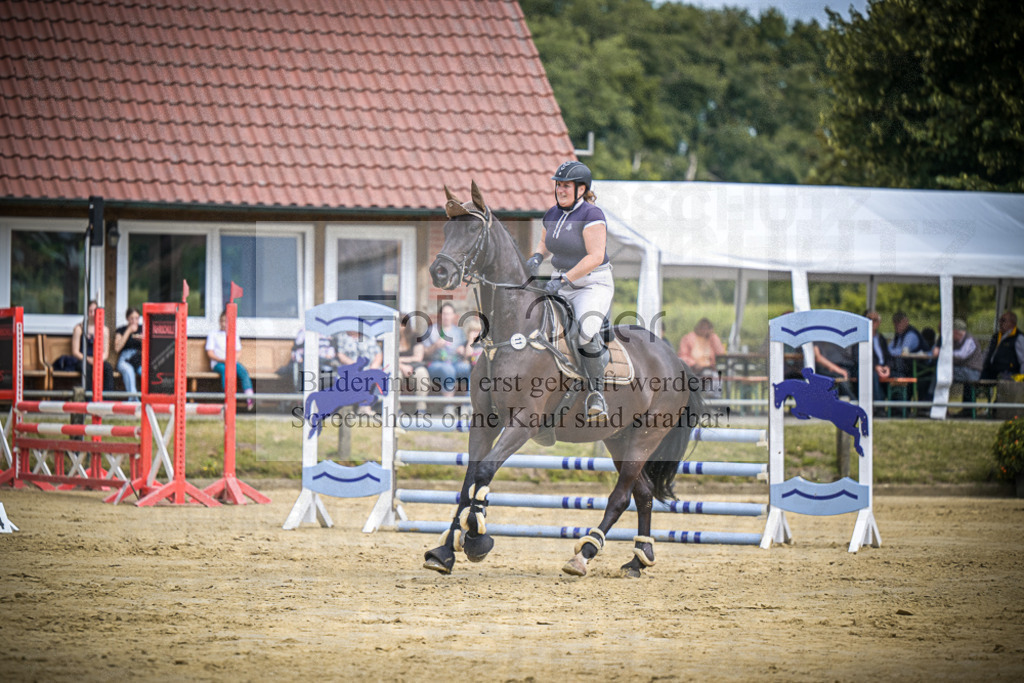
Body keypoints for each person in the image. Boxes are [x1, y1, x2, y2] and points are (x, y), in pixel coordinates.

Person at [525, 160, 613, 420]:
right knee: (535, 325)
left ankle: (597, 394)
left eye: (566, 186)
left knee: (584, 332)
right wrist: (537, 258)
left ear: (581, 188)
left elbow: (595, 256)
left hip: (591, 283)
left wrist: (563, 281)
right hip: (560, 280)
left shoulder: (592, 215)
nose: (560, 190)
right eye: (558, 185)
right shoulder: (553, 213)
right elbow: (545, 242)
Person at [424, 302, 471, 414]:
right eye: (444, 314)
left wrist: (462, 350)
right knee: (448, 369)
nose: (446, 317)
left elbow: (465, 353)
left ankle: (467, 404)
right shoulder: (432, 330)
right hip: (436, 364)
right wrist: (435, 345)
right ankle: (448, 406)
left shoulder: (458, 332)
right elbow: (424, 353)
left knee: (470, 369)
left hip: (456, 364)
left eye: (449, 314)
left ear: (454, 316)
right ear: (440, 315)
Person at [205, 310, 255, 410]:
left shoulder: (234, 335)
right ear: (219, 321)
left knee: (243, 372)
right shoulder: (213, 334)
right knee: (226, 371)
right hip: (218, 363)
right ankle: (229, 399)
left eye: (226, 321)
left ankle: (249, 398)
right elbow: (210, 352)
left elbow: (238, 351)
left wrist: (232, 360)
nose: (224, 324)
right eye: (222, 321)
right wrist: (222, 360)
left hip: (231, 362)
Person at [930, 318, 985, 408]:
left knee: (941, 372)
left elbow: (961, 355)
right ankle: (934, 401)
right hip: (963, 370)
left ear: (955, 332)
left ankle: (933, 401)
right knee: (940, 372)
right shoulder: (955, 341)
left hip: (972, 372)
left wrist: (942, 352)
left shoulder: (969, 340)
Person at [70, 300, 115, 393]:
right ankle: (89, 397)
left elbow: (105, 353)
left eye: (95, 311)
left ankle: (108, 398)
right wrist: (88, 359)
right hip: (83, 359)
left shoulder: (105, 330)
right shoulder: (79, 328)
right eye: (90, 311)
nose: (93, 314)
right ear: (87, 312)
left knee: (108, 368)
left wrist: (97, 360)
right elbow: (75, 351)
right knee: (87, 369)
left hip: (98, 359)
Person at [678, 318, 726, 397]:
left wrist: (714, 336)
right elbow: (682, 356)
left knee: (717, 378)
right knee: (707, 377)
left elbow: (720, 352)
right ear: (698, 328)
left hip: (709, 368)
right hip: (693, 369)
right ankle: (705, 399)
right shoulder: (688, 338)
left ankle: (714, 401)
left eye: (708, 328)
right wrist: (693, 364)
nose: (705, 330)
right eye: (703, 328)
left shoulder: (711, 338)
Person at [398, 315, 429, 415]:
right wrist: (402, 366)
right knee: (395, 375)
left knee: (422, 373)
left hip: (414, 367)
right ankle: (396, 408)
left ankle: (421, 409)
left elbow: (418, 357)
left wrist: (401, 360)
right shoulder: (391, 337)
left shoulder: (415, 336)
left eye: (400, 323)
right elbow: (387, 357)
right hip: (398, 367)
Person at [981, 310, 1024, 381]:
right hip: (990, 371)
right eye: (1000, 320)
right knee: (970, 377)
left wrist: (1022, 379)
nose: (1000, 323)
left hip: (1007, 373)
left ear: (1012, 323)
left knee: (1003, 379)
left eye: (1003, 320)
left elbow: (1023, 360)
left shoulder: (1018, 337)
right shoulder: (996, 336)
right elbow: (986, 352)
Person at [114, 307, 143, 400]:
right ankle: (134, 400)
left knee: (146, 372)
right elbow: (117, 348)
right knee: (128, 371)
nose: (134, 321)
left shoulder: (143, 329)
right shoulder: (121, 330)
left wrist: (143, 340)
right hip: (125, 359)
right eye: (132, 318)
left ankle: (151, 400)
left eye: (137, 318)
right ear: (127, 318)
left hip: (139, 359)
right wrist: (128, 331)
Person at [865, 310, 892, 406]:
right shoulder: (862, 338)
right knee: (873, 376)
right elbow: (858, 357)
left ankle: (898, 409)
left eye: (875, 320)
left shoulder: (881, 338)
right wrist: (875, 366)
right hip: (870, 368)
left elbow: (888, 356)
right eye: (869, 319)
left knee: (900, 375)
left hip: (883, 367)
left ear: (879, 322)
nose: (872, 322)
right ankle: (879, 407)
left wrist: (888, 367)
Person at [888, 311, 921, 377]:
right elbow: (889, 348)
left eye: (899, 322)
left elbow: (903, 352)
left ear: (906, 322)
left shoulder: (911, 335)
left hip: (915, 368)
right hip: (903, 366)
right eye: (895, 322)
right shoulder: (899, 336)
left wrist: (886, 352)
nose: (896, 325)